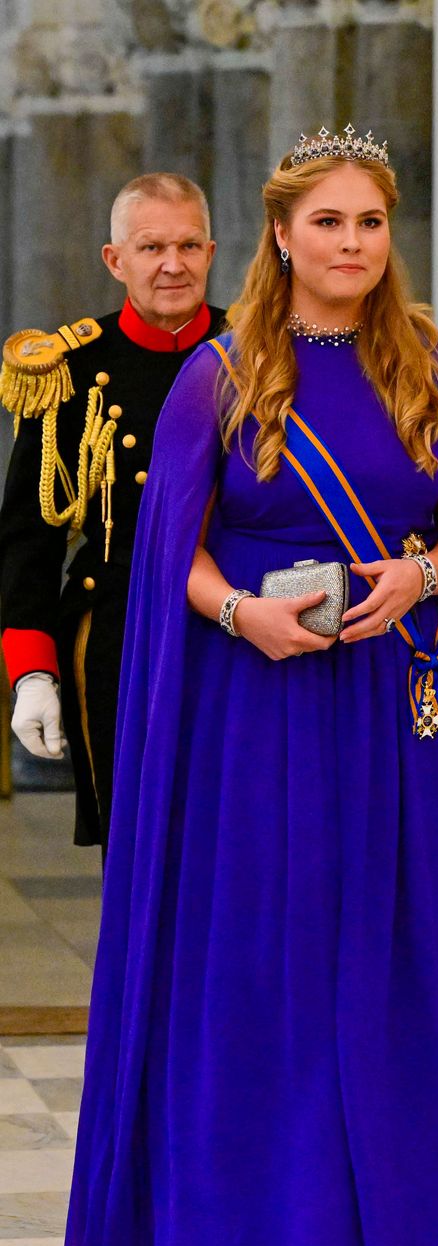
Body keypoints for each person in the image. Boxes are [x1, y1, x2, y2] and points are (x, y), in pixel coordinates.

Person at [41, 127, 438, 1246]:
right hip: (255, 707)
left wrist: (422, 574)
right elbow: (174, 559)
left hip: (397, 708)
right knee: (276, 968)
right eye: (327, 223)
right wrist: (247, 613)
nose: (351, 244)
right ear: (280, 235)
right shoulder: (217, 376)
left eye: (370, 223)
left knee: (391, 963)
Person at [0, 173, 224, 848]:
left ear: (212, 252)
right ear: (115, 259)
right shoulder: (68, 369)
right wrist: (33, 672)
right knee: (136, 843)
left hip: (242, 629)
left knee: (237, 840)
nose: (173, 265)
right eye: (152, 247)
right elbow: (26, 539)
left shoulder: (259, 356)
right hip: (118, 632)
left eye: (189, 245)